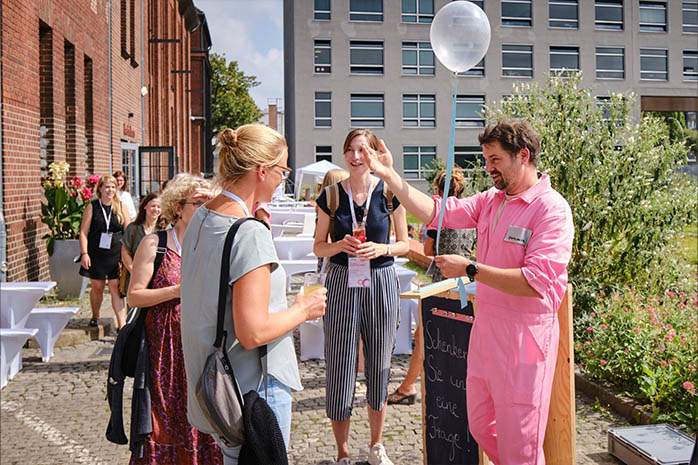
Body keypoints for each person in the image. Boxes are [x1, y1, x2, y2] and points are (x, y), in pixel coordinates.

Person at [361, 119, 574, 465]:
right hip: (487, 332)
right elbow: (435, 211)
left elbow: (536, 281)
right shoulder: (492, 199)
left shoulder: (552, 209)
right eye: (486, 159)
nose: (488, 168)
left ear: (523, 155)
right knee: (478, 424)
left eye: (495, 160)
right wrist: (391, 177)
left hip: (526, 341)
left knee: (521, 444)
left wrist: (471, 269)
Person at [180, 123, 327, 464]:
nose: (283, 180)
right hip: (254, 388)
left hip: (215, 386)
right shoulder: (247, 233)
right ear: (261, 171)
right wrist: (303, 309)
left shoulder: (201, 216)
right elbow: (253, 332)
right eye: (282, 171)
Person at [313, 128, 409, 465]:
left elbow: (405, 243)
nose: (356, 157)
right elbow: (317, 246)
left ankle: (376, 445)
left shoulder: (388, 193)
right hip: (341, 278)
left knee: (380, 361)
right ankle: (341, 452)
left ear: (374, 155)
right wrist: (339, 245)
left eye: (363, 150)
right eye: (351, 150)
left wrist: (381, 248)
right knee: (340, 361)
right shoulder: (331, 196)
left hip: (381, 277)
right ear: (344, 154)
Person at [126, 173, 220, 464]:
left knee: (206, 418)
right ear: (178, 207)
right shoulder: (156, 244)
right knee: (165, 419)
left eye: (209, 203)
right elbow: (135, 296)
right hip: (165, 353)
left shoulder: (212, 244)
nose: (206, 209)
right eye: (198, 203)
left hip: (203, 348)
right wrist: (177, 291)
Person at [387, 167, 476, 405]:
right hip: (466, 283)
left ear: (437, 190)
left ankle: (408, 387)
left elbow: (427, 250)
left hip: (442, 282)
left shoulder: (441, 216)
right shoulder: (470, 214)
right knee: (458, 336)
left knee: (425, 335)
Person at [79, 175, 131, 329]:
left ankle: (121, 325)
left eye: (113, 187)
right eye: (107, 187)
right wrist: (84, 253)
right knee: (98, 286)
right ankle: (95, 315)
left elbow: (128, 231)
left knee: (116, 287)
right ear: (100, 188)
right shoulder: (92, 207)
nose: (110, 190)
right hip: (96, 254)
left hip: (116, 254)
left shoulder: (121, 207)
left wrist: (129, 253)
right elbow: (83, 232)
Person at [121, 192, 164, 296]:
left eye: (159, 207)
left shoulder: (165, 230)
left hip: (158, 280)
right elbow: (125, 252)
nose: (156, 209)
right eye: (153, 206)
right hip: (136, 279)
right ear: (145, 207)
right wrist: (133, 271)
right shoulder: (133, 228)